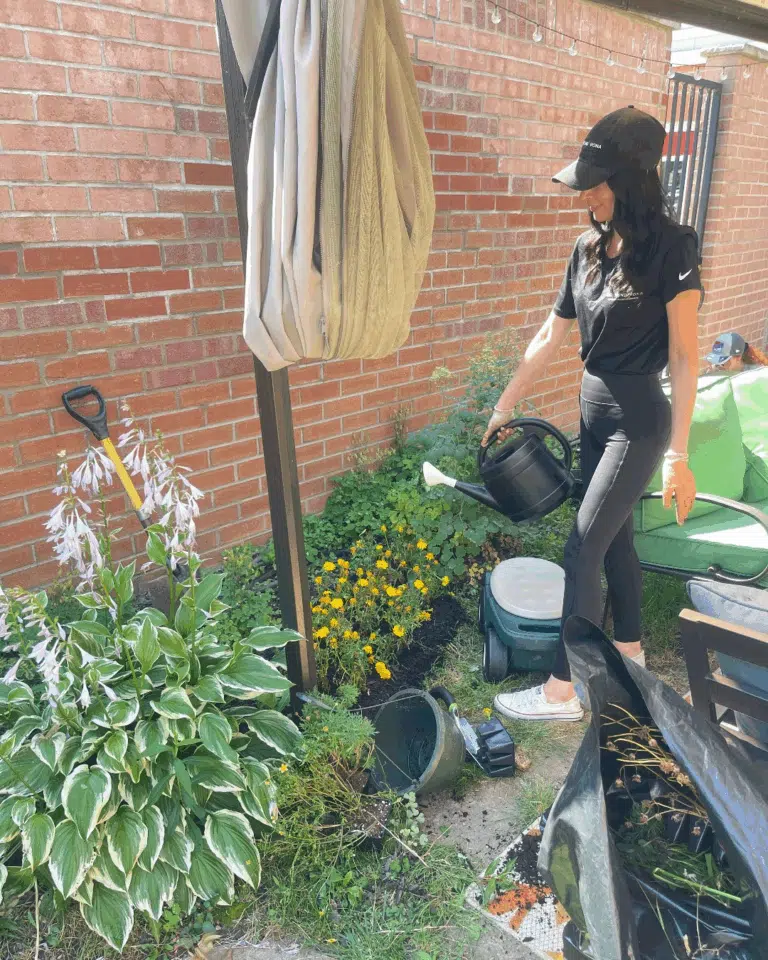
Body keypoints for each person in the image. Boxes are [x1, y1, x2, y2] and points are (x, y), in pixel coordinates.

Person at [482, 106, 700, 723]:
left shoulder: (671, 248)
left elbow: (685, 355)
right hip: (593, 414)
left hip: (639, 421)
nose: (588, 194)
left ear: (631, 181)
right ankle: (628, 657)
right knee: (613, 544)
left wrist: (679, 454)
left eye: (598, 182)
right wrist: (505, 404)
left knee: (580, 549)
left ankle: (562, 690)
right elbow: (550, 335)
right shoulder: (587, 248)